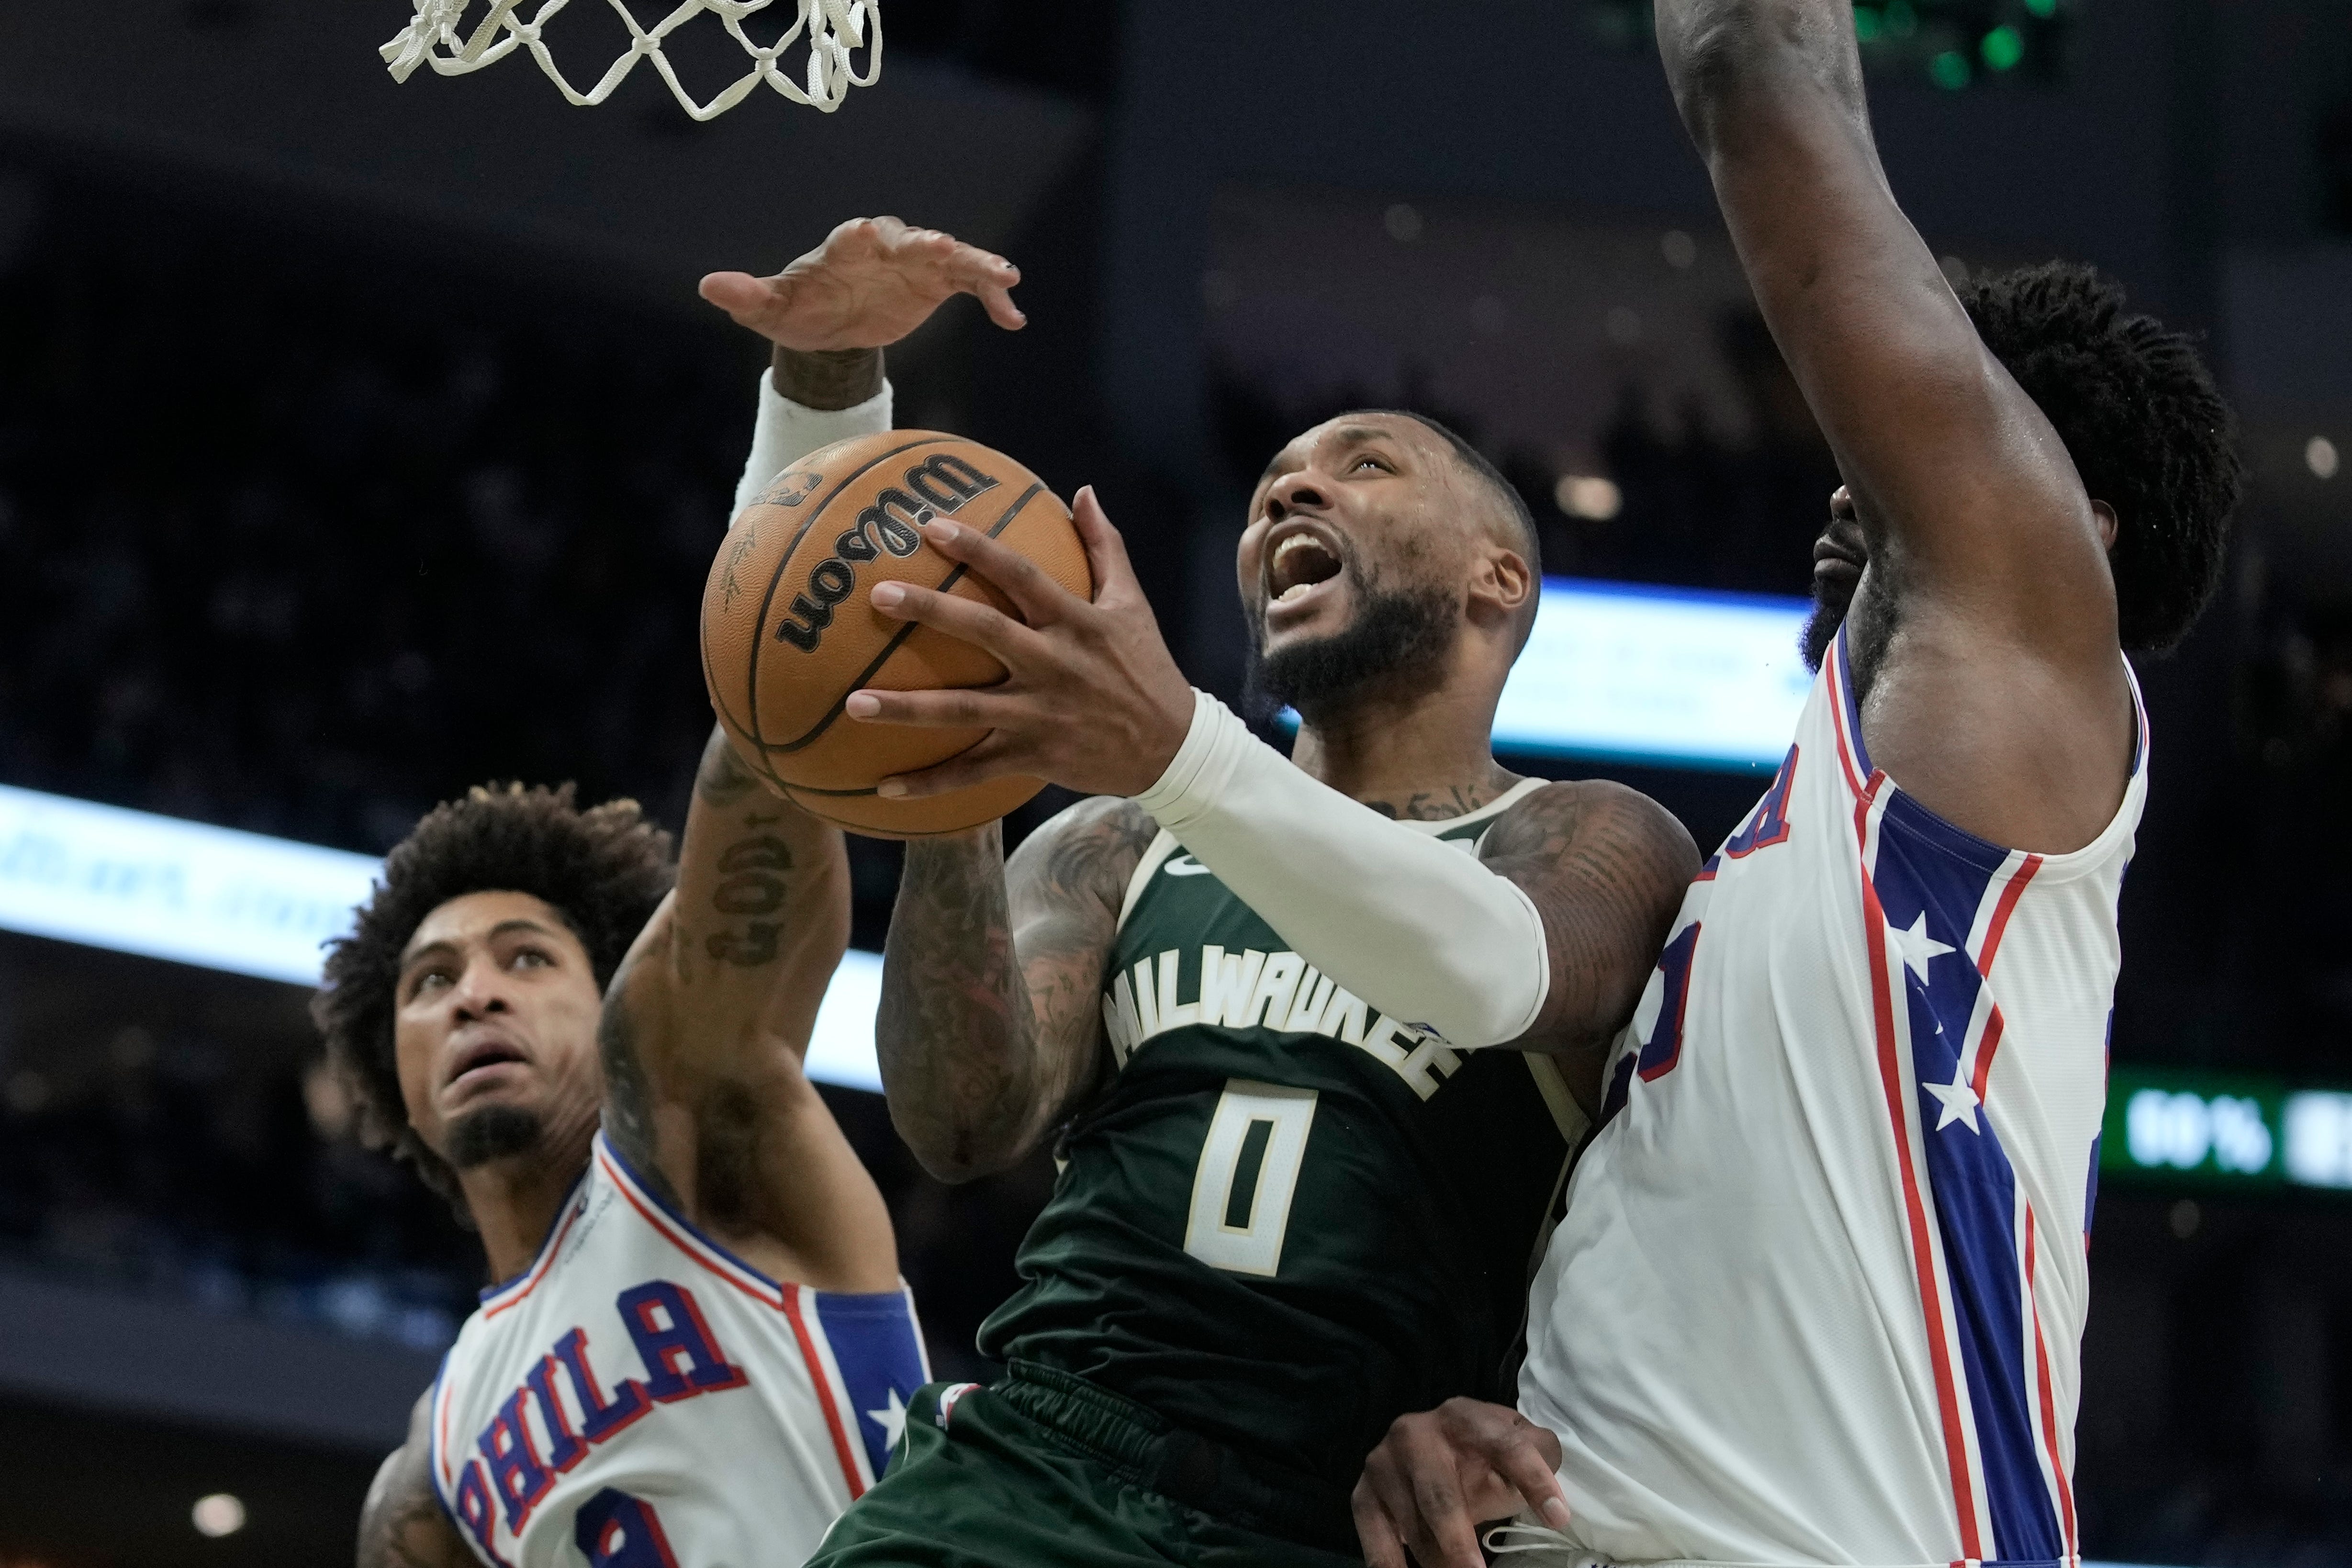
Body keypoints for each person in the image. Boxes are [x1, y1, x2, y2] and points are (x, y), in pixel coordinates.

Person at [1348, 5, 2244, 1566]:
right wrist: (1465, 1420)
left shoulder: (2023, 669)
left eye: (1900, 463)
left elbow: (1755, 79)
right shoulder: (1795, 847)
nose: (1847, 479)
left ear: (2058, 531)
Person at [792, 358, 1702, 1560]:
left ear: (1502, 577)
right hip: (1037, 1456)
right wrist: (959, 776)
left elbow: (1504, 970)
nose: (1290, 496)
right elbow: (960, 1122)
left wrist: (1180, 747)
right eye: (1273, 483)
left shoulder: (1585, 835)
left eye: (1362, 465)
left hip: (1336, 1505)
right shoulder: (1118, 842)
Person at [326, 217, 1028, 1568]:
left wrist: (820, 394)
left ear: (618, 996)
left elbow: (770, 741)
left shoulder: (697, 1121)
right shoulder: (428, 1475)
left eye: (527, 957)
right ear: (390, 1075)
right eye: (431, 982)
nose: (474, 987)